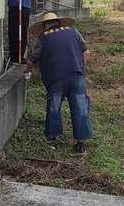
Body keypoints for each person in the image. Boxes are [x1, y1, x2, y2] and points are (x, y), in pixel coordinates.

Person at [27, 12, 92, 154]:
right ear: (59, 23)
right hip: (77, 76)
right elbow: (86, 53)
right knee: (80, 108)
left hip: (56, 79)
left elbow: (32, 59)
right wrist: (82, 71)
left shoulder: (42, 38)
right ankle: (81, 144)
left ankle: (52, 139)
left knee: (54, 108)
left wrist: (27, 71)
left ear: (44, 26)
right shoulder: (74, 31)